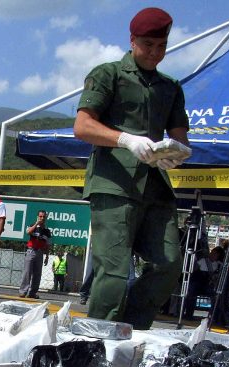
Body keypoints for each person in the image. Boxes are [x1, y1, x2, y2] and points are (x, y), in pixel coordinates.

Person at [72, 7, 189, 329]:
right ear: (132, 40)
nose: (155, 53)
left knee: (168, 265)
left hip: (155, 185)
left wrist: (175, 154)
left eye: (161, 46)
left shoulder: (171, 87)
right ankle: (94, 343)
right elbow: (83, 126)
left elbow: (181, 138)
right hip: (114, 182)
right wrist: (125, 139)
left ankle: (130, 329)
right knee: (113, 269)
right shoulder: (108, 74)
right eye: (148, 45)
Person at [18, 210, 51, 298]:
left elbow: (47, 244)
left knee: (37, 274)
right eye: (40, 216)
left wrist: (47, 256)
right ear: (37, 217)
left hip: (40, 252)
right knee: (27, 272)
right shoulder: (33, 225)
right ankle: (23, 291)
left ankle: (32, 293)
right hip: (31, 251)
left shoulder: (47, 231)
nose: (42, 218)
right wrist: (36, 224)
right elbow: (28, 232)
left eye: (44, 217)